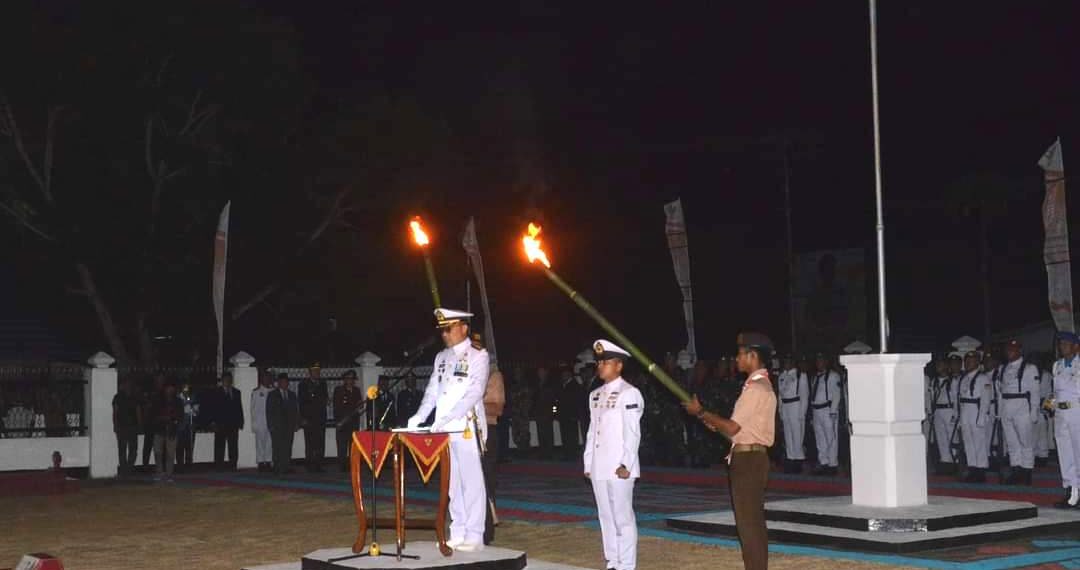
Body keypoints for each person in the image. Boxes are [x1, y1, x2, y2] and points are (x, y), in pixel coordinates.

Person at [684, 332, 776, 570]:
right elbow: (737, 431)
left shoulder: (755, 388)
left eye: (740, 354)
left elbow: (734, 427)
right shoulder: (759, 386)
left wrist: (701, 412)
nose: (736, 359)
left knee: (748, 524)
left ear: (752, 356)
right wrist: (713, 422)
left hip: (748, 461)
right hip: (750, 456)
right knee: (752, 521)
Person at [406, 308, 489, 552]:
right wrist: (420, 416)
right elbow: (432, 391)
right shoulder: (441, 358)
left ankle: (475, 535)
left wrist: (448, 417)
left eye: (448, 328)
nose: (445, 334)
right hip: (443, 429)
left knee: (471, 482)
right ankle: (458, 529)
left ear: (464, 328)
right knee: (452, 482)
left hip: (465, 426)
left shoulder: (478, 355)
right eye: (442, 329)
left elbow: (474, 392)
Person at [584, 340, 643, 570]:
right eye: (599, 361)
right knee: (605, 516)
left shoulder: (629, 393)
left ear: (618, 366)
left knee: (622, 517)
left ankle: (627, 564)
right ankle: (613, 561)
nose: (600, 366)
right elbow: (592, 431)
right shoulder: (596, 395)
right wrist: (589, 462)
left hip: (619, 466)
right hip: (600, 465)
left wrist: (626, 463)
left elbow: (632, 432)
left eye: (606, 362)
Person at [997, 340, 1040, 485]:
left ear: (1020, 351)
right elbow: (1000, 391)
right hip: (1006, 406)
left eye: (1013, 349)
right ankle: (1016, 470)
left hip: (1022, 406)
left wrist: (1034, 411)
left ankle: (1027, 471)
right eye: (1008, 349)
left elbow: (1035, 392)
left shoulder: (1029, 368)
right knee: (1011, 442)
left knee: (1025, 441)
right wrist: (999, 411)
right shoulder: (1002, 368)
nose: (1010, 352)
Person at [1049, 332, 1080, 508]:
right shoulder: (1057, 366)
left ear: (1076, 346)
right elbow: (1056, 392)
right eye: (1061, 344)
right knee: (1065, 453)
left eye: (1066, 344)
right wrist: (1050, 404)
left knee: (1079, 452)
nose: (1062, 347)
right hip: (1060, 413)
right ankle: (1070, 490)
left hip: (1077, 411)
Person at [957, 351, 992, 482]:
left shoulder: (983, 378)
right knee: (968, 443)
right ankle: (972, 468)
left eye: (971, 361)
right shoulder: (964, 378)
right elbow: (960, 399)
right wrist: (960, 418)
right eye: (966, 361)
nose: (968, 363)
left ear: (978, 362)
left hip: (977, 411)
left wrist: (982, 417)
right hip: (966, 412)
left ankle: (981, 470)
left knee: (979, 443)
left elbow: (986, 398)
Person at [482, 365, 505, 545]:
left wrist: (472, 404)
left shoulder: (492, 374)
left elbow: (497, 406)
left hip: (486, 431)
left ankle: (486, 528)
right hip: (464, 432)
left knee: (485, 480)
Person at [809, 354, 842, 475]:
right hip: (816, 410)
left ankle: (832, 464)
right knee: (820, 438)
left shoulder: (833, 376)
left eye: (821, 361)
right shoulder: (815, 377)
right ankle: (823, 461)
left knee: (831, 438)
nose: (819, 363)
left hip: (828, 410)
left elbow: (837, 395)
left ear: (826, 362)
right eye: (817, 361)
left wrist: (833, 412)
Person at [777, 355, 809, 474]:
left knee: (797, 434)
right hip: (786, 407)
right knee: (788, 435)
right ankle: (790, 458)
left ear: (793, 362)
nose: (786, 363)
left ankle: (798, 460)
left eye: (788, 361)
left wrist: (802, 413)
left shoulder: (800, 375)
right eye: (784, 361)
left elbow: (804, 396)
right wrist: (780, 409)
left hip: (796, 405)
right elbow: (780, 395)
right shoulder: (782, 376)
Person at [928, 357, 959, 474]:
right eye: (937, 365)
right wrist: (931, 413)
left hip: (949, 410)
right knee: (941, 439)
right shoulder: (934, 381)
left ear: (946, 367)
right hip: (938, 411)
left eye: (940, 365)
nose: (938, 367)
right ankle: (945, 463)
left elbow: (956, 399)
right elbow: (931, 398)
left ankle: (955, 462)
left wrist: (956, 415)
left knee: (952, 438)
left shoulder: (953, 381)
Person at [267, 373, 300, 475]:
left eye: (286, 382)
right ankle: (277, 467)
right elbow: (269, 411)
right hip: (277, 425)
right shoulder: (272, 394)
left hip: (289, 425)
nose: (284, 384)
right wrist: (271, 425)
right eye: (282, 382)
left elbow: (296, 410)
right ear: (278, 383)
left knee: (288, 446)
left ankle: (286, 466)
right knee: (277, 447)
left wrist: (296, 423)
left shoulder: (292, 395)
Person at [151, 382, 184, 482]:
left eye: (171, 389)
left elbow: (180, 416)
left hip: (172, 430)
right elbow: (153, 414)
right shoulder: (158, 400)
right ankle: (159, 472)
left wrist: (173, 419)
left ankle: (169, 474)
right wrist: (162, 418)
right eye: (168, 388)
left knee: (170, 453)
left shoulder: (178, 401)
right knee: (157, 452)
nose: (169, 391)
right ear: (165, 389)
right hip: (159, 429)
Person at [298, 364, 328, 472]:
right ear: (310, 372)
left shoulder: (323, 383)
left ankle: (319, 464)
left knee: (320, 442)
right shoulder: (303, 384)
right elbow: (301, 402)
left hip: (320, 417)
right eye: (314, 371)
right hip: (309, 417)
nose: (317, 373)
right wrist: (302, 418)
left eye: (318, 371)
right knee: (310, 442)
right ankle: (310, 464)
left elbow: (325, 399)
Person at [332, 369, 364, 472]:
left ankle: (352, 465)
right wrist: (340, 420)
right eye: (348, 379)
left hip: (353, 422)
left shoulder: (356, 390)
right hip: (342, 421)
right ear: (344, 380)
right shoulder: (339, 390)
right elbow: (337, 407)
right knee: (342, 446)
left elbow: (359, 405)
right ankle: (342, 466)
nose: (350, 381)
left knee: (352, 446)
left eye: (352, 379)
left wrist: (359, 408)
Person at [212, 372, 244, 470]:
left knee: (233, 446)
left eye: (230, 379)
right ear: (222, 380)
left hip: (233, 423)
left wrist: (241, 421)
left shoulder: (236, 392)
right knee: (219, 445)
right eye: (226, 379)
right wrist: (213, 422)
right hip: (220, 423)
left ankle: (233, 465)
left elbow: (239, 408)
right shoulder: (216, 392)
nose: (228, 381)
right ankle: (219, 466)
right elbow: (213, 408)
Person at [112, 377, 141, 476]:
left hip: (133, 426)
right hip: (122, 426)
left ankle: (129, 468)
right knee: (122, 449)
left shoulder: (134, 397)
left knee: (133, 449)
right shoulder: (118, 397)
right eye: (126, 384)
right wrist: (115, 425)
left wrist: (139, 424)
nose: (128, 386)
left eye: (130, 384)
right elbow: (115, 412)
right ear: (123, 385)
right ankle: (124, 470)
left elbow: (138, 411)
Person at [556, 366, 585, 459]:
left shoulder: (574, 385)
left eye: (564, 374)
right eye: (562, 374)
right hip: (564, 415)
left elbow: (576, 401)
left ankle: (572, 454)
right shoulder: (563, 385)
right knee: (565, 435)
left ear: (569, 375)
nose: (562, 376)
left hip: (571, 415)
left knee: (571, 436)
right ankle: (567, 453)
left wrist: (575, 415)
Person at [251, 370, 275, 472]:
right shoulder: (256, 392)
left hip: (271, 421)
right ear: (261, 379)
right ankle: (261, 462)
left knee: (270, 442)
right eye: (265, 377)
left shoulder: (273, 391)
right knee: (260, 442)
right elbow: (253, 409)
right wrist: (254, 424)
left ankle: (269, 461)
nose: (267, 379)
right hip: (260, 421)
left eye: (268, 377)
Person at [176, 382, 199, 472]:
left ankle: (189, 465)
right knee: (180, 447)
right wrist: (183, 409)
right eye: (184, 388)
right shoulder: (178, 397)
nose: (186, 389)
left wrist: (194, 410)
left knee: (189, 447)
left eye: (187, 388)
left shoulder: (193, 397)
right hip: (180, 427)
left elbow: (196, 411)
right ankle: (180, 466)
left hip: (190, 426)